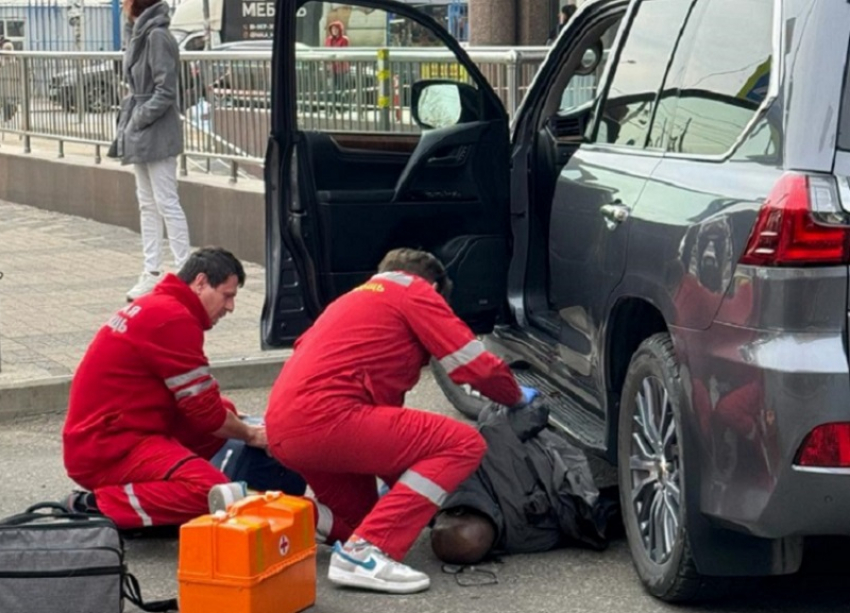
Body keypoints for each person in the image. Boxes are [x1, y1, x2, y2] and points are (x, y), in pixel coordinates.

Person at [265, 248, 539, 594]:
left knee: (360, 522)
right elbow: (474, 365)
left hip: (284, 429)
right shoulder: (414, 291)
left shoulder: (351, 301)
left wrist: (404, 485)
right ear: (436, 288)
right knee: (461, 442)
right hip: (329, 420)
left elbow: (387, 419)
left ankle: (270, 517)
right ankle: (363, 557)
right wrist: (513, 395)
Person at [62, 248, 275, 529]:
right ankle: (98, 506)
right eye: (227, 295)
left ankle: (159, 495)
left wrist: (231, 418)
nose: (230, 307)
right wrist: (252, 435)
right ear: (200, 282)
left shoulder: (159, 305)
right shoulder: (173, 319)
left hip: (106, 435)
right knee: (212, 493)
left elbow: (202, 404)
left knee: (228, 412)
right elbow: (206, 415)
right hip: (109, 446)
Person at [430, 399, 619, 565]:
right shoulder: (443, 479)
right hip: (556, 452)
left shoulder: (521, 540)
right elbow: (536, 411)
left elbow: (574, 529)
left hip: (579, 487)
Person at [109, 0, 191, 302]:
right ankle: (151, 271)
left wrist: (139, 118)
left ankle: (184, 271)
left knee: (166, 201)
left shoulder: (157, 36)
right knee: (147, 203)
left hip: (155, 128)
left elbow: (166, 91)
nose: (122, 6)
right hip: (141, 129)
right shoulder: (140, 35)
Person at [324, 20, 350, 112]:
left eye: (336, 29)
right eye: (332, 29)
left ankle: (342, 107)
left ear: (340, 29)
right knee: (332, 88)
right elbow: (326, 52)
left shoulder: (344, 39)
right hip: (332, 68)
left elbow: (343, 52)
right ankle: (332, 107)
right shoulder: (328, 39)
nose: (334, 31)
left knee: (341, 88)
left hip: (342, 68)